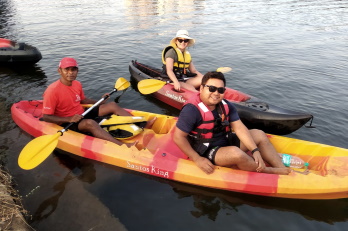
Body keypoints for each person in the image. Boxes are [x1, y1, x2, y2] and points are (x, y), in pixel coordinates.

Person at [173, 71, 292, 175]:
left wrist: (255, 150)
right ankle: (269, 170)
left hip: (225, 139)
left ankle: (280, 167)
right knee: (237, 154)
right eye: (212, 88)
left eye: (220, 90)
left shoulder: (225, 105)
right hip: (206, 149)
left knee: (259, 134)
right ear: (202, 88)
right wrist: (197, 159)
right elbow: (178, 137)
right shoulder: (191, 110)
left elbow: (239, 128)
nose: (216, 93)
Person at [42, 57, 153, 146]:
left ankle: (142, 125)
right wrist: (69, 119)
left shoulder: (77, 84)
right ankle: (121, 145)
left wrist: (100, 101)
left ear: (77, 71)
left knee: (112, 105)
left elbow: (83, 100)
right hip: (68, 121)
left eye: (73, 69)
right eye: (67, 69)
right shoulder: (52, 91)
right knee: (90, 123)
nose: (70, 73)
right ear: (59, 71)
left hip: (82, 113)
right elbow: (46, 116)